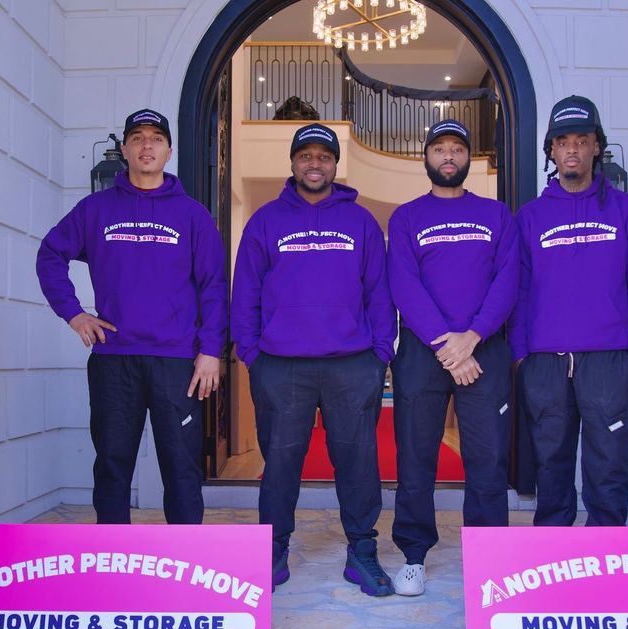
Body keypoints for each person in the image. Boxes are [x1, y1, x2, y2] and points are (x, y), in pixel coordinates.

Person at [36, 108, 227, 525]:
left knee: (181, 465)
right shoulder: (95, 210)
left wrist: (210, 350)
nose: (146, 146)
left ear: (169, 150)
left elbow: (214, 286)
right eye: (137, 138)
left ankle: (185, 557)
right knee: (112, 463)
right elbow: (51, 255)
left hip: (178, 362)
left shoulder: (193, 215)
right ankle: (112, 555)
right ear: (123, 149)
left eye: (155, 138)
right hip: (113, 358)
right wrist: (74, 314)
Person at [231, 123, 397, 596]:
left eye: (324, 156)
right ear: (292, 162)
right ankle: (274, 551)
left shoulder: (361, 222)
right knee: (280, 465)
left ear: (334, 164)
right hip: (281, 366)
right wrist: (253, 355)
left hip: (352, 364)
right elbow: (246, 295)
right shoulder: (264, 221)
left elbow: (379, 295)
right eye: (306, 155)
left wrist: (379, 355)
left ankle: (362, 552)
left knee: (359, 463)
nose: (315, 164)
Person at [511, 95, 628, 526]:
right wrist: (522, 358)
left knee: (609, 467)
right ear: (551, 152)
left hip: (609, 362)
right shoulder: (530, 218)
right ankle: (555, 561)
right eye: (562, 141)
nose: (572, 149)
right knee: (550, 468)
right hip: (544, 364)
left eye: (582, 139)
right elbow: (518, 292)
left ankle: (604, 563)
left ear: (598, 147)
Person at [386, 119, 519, 596]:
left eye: (457, 149)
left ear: (467, 158)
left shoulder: (497, 215)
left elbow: (508, 281)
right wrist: (448, 344)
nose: (448, 156)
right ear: (426, 157)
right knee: (416, 457)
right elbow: (403, 284)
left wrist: (475, 334)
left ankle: (487, 558)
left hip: (485, 352)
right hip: (425, 354)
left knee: (487, 458)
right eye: (438, 148)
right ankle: (414, 556)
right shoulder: (405, 218)